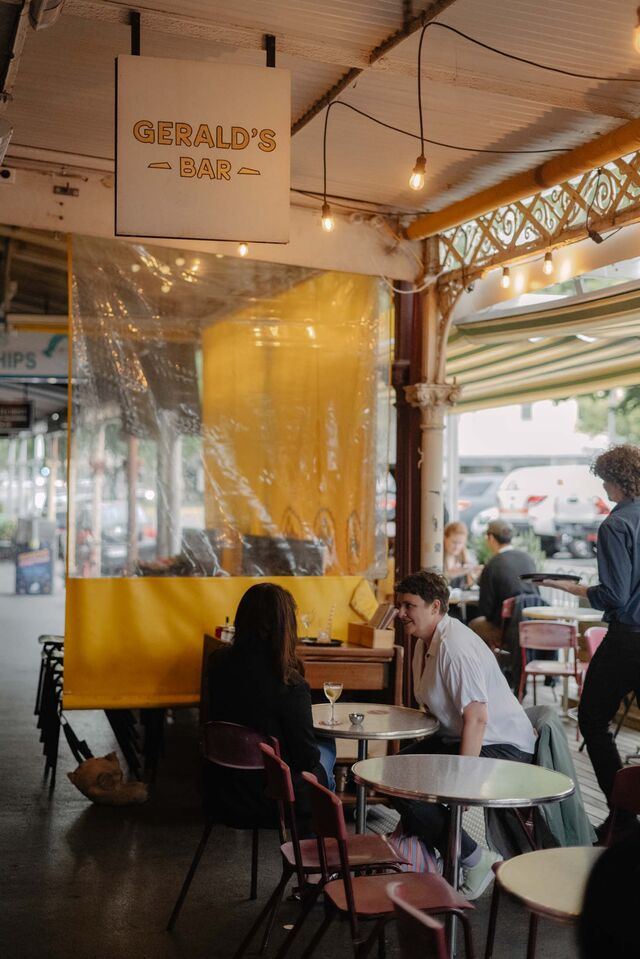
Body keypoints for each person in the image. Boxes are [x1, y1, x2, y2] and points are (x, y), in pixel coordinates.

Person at [393, 571, 536, 899]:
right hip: (462, 736)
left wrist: (464, 782)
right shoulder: (424, 641)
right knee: (392, 772)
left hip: (501, 746)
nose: (401, 612)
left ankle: (474, 858)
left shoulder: (454, 647)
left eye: (409, 605)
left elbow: (477, 719)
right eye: (400, 604)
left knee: (405, 786)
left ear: (435, 607)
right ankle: (434, 853)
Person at [542, 445, 640, 840]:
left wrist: (573, 588)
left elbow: (614, 595)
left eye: (604, 479)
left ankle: (622, 818)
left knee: (592, 721)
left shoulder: (616, 525)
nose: (603, 487)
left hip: (629, 639)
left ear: (615, 479)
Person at [207, 582, 335, 833]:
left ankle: (321, 827)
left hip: (222, 792)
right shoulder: (290, 685)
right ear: (286, 626)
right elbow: (306, 758)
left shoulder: (217, 664)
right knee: (327, 746)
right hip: (274, 798)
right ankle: (317, 842)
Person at [468, 518, 538, 648]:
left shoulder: (493, 564)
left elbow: (486, 610)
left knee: (473, 625)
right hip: (532, 624)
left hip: (507, 628)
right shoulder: (527, 558)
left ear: (491, 538)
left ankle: (487, 664)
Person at [443, 521, 480, 588]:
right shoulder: (438, 557)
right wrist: (450, 574)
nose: (456, 546)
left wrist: (473, 574)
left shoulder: (465, 556)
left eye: (460, 543)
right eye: (454, 542)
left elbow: (470, 584)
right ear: (445, 538)